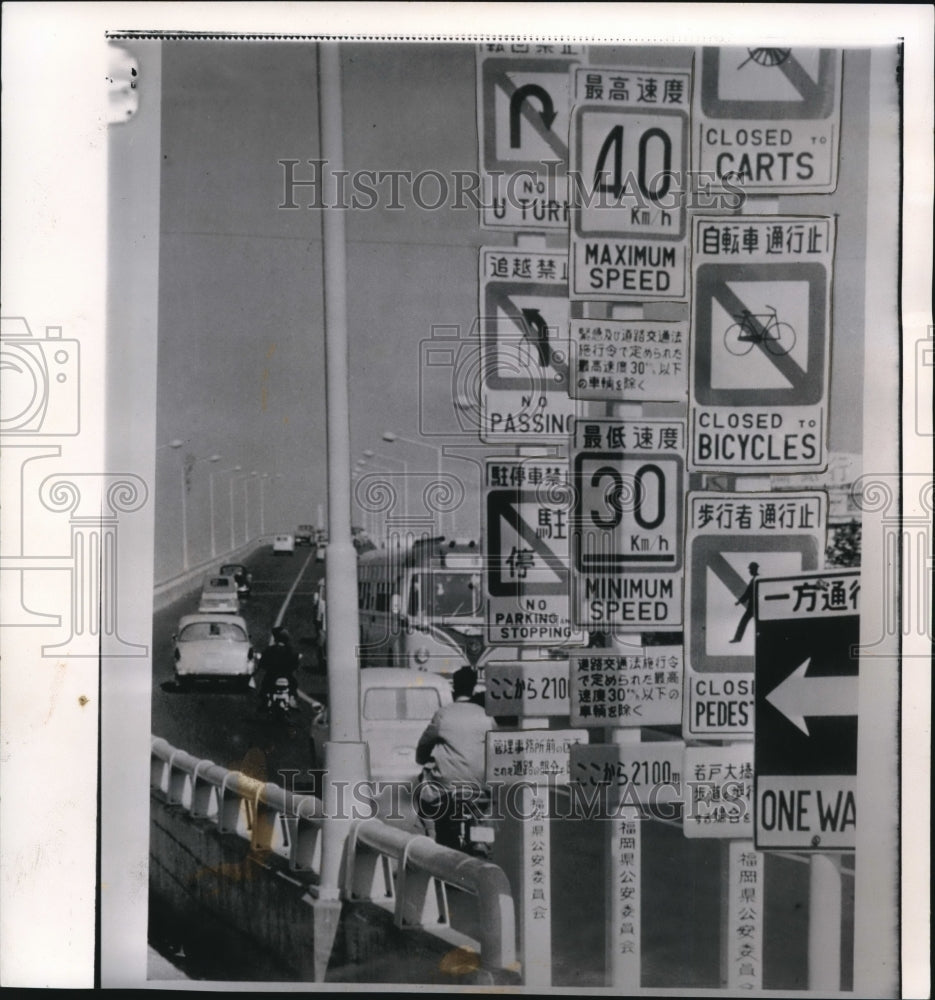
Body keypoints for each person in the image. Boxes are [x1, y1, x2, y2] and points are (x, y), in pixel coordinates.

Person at [415, 666, 491, 848]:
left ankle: (431, 835)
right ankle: (483, 839)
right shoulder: (486, 716)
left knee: (423, 793)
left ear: (454, 689)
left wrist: (421, 758)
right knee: (486, 810)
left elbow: (424, 745)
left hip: (446, 787)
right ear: (473, 689)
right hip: (479, 784)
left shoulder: (443, 714)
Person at [258, 626, 300, 707]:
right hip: (287, 676)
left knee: (265, 685)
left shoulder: (270, 650)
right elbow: (295, 664)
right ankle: (291, 698)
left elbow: (263, 662)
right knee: (293, 685)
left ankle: (266, 699)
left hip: (272, 675)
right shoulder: (291, 650)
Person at [730, 562, 760, 644]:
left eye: (750, 569)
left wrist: (740, 601)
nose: (749, 571)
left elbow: (748, 593)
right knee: (744, 622)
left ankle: (737, 638)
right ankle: (737, 638)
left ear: (754, 569)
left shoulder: (756, 579)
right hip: (755, 607)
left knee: (744, 622)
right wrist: (740, 601)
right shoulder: (755, 579)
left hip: (756, 607)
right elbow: (748, 593)